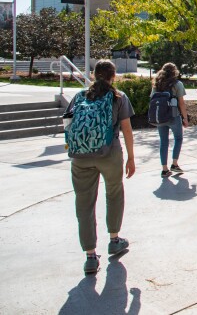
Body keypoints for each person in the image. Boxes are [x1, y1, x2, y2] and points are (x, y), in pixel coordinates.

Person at [67, 59, 135, 275]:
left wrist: (77, 145)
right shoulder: (118, 97)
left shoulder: (79, 97)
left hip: (80, 157)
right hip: (109, 152)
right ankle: (114, 239)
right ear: (113, 76)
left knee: (84, 204)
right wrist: (131, 157)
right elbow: (126, 130)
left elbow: (67, 125)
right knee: (114, 194)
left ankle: (90, 256)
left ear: (94, 75)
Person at [152, 63, 189, 177]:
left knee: (164, 141)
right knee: (178, 138)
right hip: (174, 116)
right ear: (175, 72)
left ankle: (164, 169)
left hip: (160, 117)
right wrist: (185, 118)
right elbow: (181, 103)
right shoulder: (177, 84)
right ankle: (174, 164)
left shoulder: (156, 84)